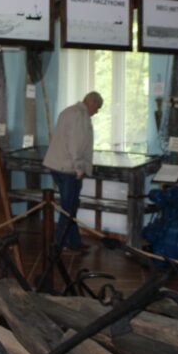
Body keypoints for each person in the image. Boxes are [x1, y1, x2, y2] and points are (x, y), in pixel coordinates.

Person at [43, 91, 103, 252]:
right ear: (91, 102)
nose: (97, 112)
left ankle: (74, 242)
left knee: (71, 207)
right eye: (97, 107)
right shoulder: (80, 115)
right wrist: (79, 168)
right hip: (68, 169)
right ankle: (58, 245)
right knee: (68, 209)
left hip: (59, 166)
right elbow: (75, 145)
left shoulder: (69, 111)